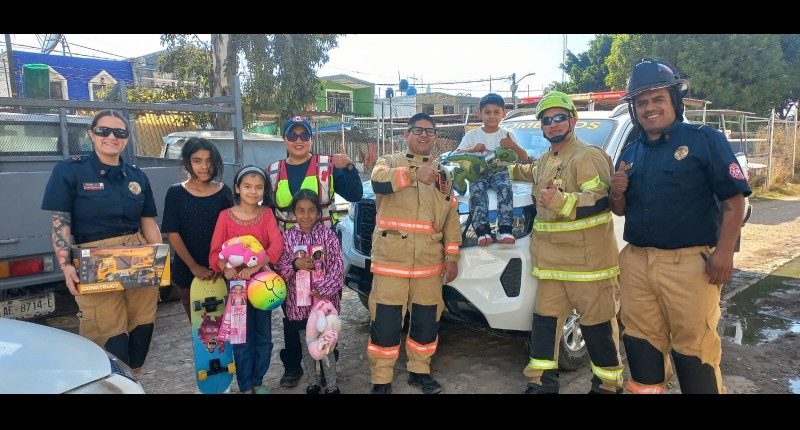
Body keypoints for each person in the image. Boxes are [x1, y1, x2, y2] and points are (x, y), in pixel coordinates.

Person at [609, 59, 752, 394]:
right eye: (641, 102)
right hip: (636, 262)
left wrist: (724, 253)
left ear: (675, 100)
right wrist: (617, 192)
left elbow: (734, 201)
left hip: (690, 265)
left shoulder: (705, 140)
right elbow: (620, 210)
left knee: (694, 352)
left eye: (657, 98)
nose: (649, 108)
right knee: (640, 344)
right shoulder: (631, 151)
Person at [510, 91, 624, 394]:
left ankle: (607, 386)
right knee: (545, 328)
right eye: (547, 120)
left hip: (589, 268)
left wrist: (561, 201)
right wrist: (492, 165)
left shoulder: (588, 156)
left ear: (572, 120)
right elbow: (524, 171)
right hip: (551, 267)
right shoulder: (547, 160)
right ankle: (542, 384)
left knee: (598, 330)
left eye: (559, 117)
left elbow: (600, 199)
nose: (553, 124)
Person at [41, 109, 162, 379]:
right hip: (94, 258)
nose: (111, 137)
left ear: (127, 138)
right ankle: (112, 383)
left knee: (142, 328)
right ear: (91, 135)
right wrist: (65, 266)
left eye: (119, 132)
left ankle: (132, 381)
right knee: (108, 333)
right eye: (103, 130)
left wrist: (161, 262)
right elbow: (60, 223)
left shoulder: (137, 177)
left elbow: (149, 223)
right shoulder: (70, 171)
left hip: (138, 254)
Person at [366, 112, 462, 394]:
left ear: (436, 137)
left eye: (429, 131)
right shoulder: (389, 161)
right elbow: (377, 181)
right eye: (417, 130)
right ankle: (381, 379)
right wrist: (412, 174)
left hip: (428, 264)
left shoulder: (444, 174)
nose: (423, 135)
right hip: (391, 262)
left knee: (426, 321)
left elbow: (451, 219)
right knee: (385, 323)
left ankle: (420, 371)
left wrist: (452, 257)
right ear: (406, 134)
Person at [266, 115, 363, 388]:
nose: (298, 140)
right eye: (292, 135)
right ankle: (293, 366)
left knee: (325, 309)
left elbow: (355, 194)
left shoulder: (326, 166)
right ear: (284, 138)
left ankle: (327, 362)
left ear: (311, 138)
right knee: (292, 312)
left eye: (304, 135)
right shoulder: (272, 171)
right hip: (290, 252)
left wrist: (349, 167)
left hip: (324, 250)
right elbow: (266, 212)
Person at [208, 165, 283, 394]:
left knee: (264, 336)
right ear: (237, 188)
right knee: (241, 337)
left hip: (262, 286)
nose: (253, 191)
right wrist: (225, 268)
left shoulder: (266, 214)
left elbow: (277, 245)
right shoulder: (225, 217)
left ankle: (258, 381)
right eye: (248, 186)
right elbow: (215, 253)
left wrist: (257, 266)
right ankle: (245, 385)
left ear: (264, 190)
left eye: (259, 187)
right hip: (237, 288)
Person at [275, 189, 344, 394]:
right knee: (307, 347)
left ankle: (331, 386)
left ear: (318, 212)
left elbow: (338, 269)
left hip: (324, 306)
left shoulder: (328, 236)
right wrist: (295, 264)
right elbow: (279, 270)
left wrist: (321, 289)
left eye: (311, 210)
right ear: (293, 212)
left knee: (327, 345)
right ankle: (312, 384)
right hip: (299, 307)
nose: (306, 216)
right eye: (300, 210)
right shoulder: (287, 238)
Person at [161, 137, 233, 319]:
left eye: (209, 161)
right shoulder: (175, 193)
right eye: (197, 161)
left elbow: (231, 232)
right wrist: (194, 266)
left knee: (225, 321)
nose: (204, 166)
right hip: (188, 270)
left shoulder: (224, 192)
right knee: (200, 325)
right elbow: (172, 232)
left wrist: (223, 265)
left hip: (221, 270)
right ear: (187, 162)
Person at [454, 93, 528, 246]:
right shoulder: (472, 135)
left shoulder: (508, 135)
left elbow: (524, 157)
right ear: (479, 113)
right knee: (477, 191)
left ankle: (505, 229)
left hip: (500, 172)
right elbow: (456, 154)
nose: (492, 116)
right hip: (478, 173)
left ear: (504, 113)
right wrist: (472, 149)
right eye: (487, 112)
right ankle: (482, 231)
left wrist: (513, 145)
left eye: (496, 112)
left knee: (505, 188)